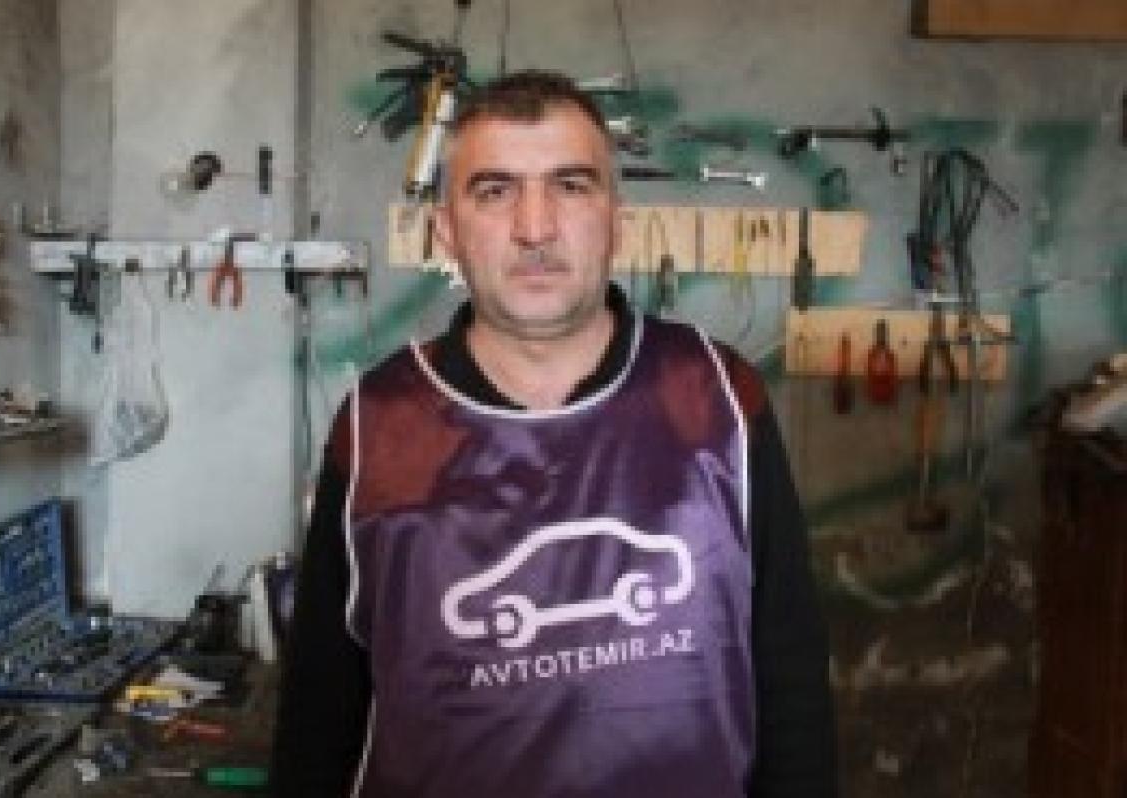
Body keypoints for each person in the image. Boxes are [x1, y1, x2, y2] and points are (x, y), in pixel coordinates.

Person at [271, 70, 837, 798]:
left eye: (570, 186)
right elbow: (319, 713)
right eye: (494, 191)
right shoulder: (380, 423)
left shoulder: (714, 398)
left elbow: (791, 673)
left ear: (616, 220)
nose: (534, 228)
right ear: (446, 230)